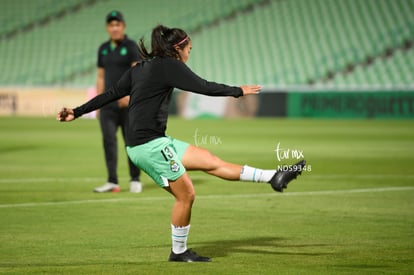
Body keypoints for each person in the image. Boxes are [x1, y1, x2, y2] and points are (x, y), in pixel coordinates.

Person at [57, 25, 306, 262]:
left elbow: (110, 93)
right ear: (178, 47)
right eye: (189, 48)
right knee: (186, 194)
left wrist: (76, 112)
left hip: (153, 140)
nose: (189, 53)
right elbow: (203, 87)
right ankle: (179, 251)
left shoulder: (140, 68)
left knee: (210, 161)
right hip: (148, 146)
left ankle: (273, 176)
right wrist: (237, 90)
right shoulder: (170, 66)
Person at [94, 10, 143, 193]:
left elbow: (136, 73)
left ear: (123, 26)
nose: (114, 28)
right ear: (108, 28)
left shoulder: (131, 46)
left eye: (117, 24)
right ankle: (112, 181)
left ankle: (135, 179)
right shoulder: (103, 49)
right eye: (111, 25)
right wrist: (98, 102)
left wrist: (131, 96)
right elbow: (100, 77)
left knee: (131, 142)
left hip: (127, 105)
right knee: (108, 141)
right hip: (108, 105)